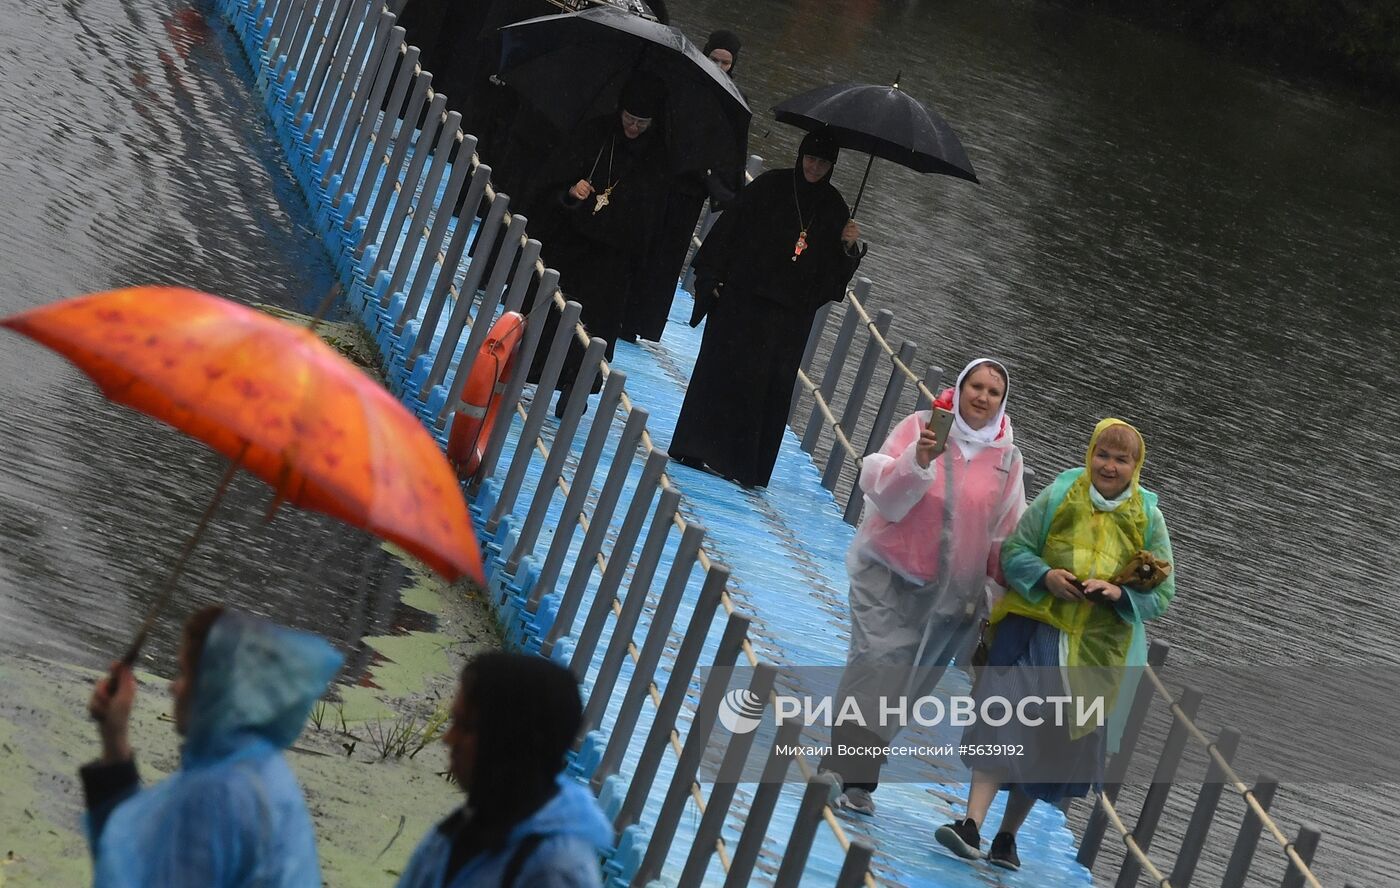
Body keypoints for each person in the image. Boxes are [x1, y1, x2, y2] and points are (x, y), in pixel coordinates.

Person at [935, 419, 1176, 871]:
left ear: (1136, 466)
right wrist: (1046, 577)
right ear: (1090, 455)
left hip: (1095, 652)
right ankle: (971, 822)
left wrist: (1119, 594)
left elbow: (1162, 593)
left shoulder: (1148, 517)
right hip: (1035, 631)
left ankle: (1007, 837)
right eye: (1103, 455)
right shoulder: (1062, 493)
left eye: (1121, 459)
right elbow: (1015, 551)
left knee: (1049, 740)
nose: (1110, 466)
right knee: (1001, 718)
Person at [818, 359, 1026, 815]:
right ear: (960, 386)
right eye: (976, 386)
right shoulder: (921, 427)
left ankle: (858, 776)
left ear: (1002, 401)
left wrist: (1007, 598)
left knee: (905, 687)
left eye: (993, 391)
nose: (982, 397)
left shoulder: (1008, 460)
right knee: (874, 663)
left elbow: (1004, 537)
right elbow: (882, 493)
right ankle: (841, 769)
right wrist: (919, 461)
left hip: (952, 597)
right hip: (888, 574)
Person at [82, 606, 343, 887]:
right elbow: (142, 861)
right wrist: (115, 739)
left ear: (213, 686)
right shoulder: (262, 767)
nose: (174, 687)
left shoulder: (214, 795)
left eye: (183, 673)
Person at [669, 128, 863, 488]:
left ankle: (742, 465)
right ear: (799, 156)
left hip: (788, 318)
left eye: (823, 162)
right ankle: (694, 447)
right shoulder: (770, 186)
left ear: (832, 166)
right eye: (810, 158)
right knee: (721, 373)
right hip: (741, 301)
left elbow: (834, 279)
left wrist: (848, 248)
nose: (815, 168)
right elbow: (729, 232)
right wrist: (711, 280)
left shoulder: (835, 210)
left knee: (764, 388)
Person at [522, 74, 671, 414]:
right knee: (554, 312)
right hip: (573, 245)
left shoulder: (656, 158)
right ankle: (534, 371)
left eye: (641, 123)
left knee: (595, 329)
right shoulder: (596, 134)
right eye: (629, 119)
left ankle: (575, 387)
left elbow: (652, 218)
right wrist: (571, 193)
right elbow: (553, 181)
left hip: (613, 261)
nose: (633, 128)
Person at [396, 652, 612, 887]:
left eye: (466, 727)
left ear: (510, 740)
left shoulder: (555, 872)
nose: (448, 739)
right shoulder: (463, 828)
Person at [621, 29, 747, 344]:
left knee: (666, 260)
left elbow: (731, 152)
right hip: (661, 182)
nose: (719, 66)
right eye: (714, 58)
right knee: (641, 246)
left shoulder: (733, 100)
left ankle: (643, 322)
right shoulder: (681, 83)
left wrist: (720, 187)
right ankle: (624, 311)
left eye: (725, 62)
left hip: (690, 191)